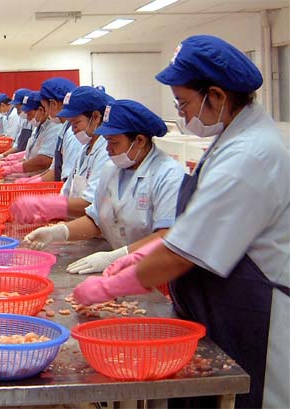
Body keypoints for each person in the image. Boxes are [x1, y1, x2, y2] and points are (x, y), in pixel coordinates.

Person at [74, 35, 290, 409]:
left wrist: (113, 285)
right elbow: (197, 225)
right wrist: (140, 257)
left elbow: (184, 252)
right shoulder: (232, 139)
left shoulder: (249, 154)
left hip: (255, 313)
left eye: (183, 102)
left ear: (216, 96)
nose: (182, 112)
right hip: (217, 302)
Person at [24, 99, 185, 274]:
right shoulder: (112, 169)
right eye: (106, 141)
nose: (108, 149)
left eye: (114, 143)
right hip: (121, 271)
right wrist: (58, 233)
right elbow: (96, 220)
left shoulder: (168, 175)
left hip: (156, 273)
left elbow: (166, 236)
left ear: (139, 140)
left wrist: (116, 256)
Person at [10, 86, 113, 223]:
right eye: (71, 123)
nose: (73, 129)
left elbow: (91, 204)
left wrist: (46, 206)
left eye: (76, 123)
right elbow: (67, 189)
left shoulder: (105, 152)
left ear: (95, 117)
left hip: (90, 226)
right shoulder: (85, 149)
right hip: (76, 222)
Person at [0, 91, 61, 177]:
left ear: (41, 110)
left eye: (29, 114)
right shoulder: (38, 127)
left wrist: (12, 169)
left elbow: (44, 160)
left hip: (41, 176)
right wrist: (10, 161)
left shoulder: (54, 128)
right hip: (32, 174)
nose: (27, 118)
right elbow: (30, 153)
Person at [39, 77, 80, 182]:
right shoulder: (64, 129)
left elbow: (68, 180)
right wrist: (34, 180)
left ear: (53, 104)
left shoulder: (72, 134)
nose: (46, 112)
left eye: (45, 107)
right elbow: (54, 169)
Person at [0, 88, 33, 159]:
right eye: (16, 108)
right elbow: (18, 144)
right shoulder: (23, 120)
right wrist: (3, 155)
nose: (18, 112)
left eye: (19, 108)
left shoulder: (35, 122)